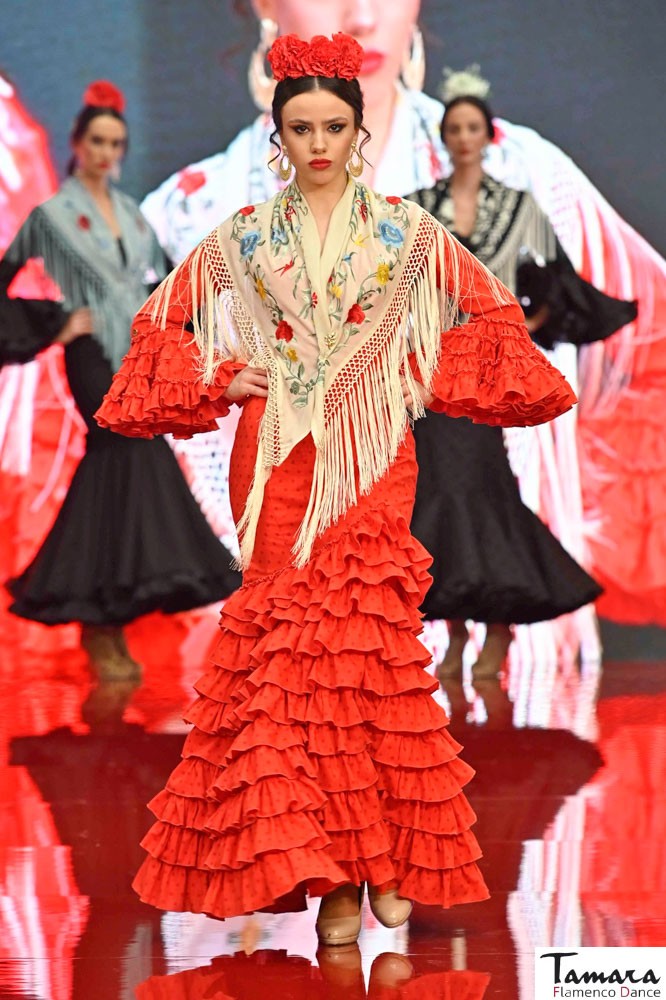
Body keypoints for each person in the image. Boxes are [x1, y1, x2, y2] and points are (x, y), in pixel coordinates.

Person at [96, 33, 575, 946]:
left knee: (365, 661)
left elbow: (492, 311)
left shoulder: (407, 232)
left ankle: (381, 861)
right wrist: (219, 376)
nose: (319, 143)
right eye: (302, 127)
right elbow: (160, 321)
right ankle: (334, 879)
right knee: (287, 673)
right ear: (278, 134)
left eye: (335, 126)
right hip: (274, 460)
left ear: (360, 133)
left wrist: (423, 369)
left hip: (372, 463)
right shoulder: (242, 236)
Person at [140, 0, 666, 632]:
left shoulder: (528, 177)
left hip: (494, 646)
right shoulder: (189, 215)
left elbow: (643, 365)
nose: (363, 15)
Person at [0, 81, 240, 679]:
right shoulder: (51, 217)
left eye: (118, 144)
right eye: (99, 142)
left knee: (134, 464)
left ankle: (103, 618)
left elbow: (162, 288)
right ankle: (97, 619)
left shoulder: (132, 215)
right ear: (78, 145)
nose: (108, 153)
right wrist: (52, 325)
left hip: (136, 356)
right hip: (90, 356)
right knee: (119, 454)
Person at [407, 75, 637, 679]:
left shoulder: (519, 208)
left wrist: (528, 321)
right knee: (435, 495)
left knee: (482, 489)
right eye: (453, 129)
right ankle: (456, 631)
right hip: (431, 374)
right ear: (442, 138)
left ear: (488, 136)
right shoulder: (415, 210)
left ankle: (501, 626)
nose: (462, 139)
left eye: (472, 129)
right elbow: (392, 290)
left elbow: (556, 276)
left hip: (485, 375)